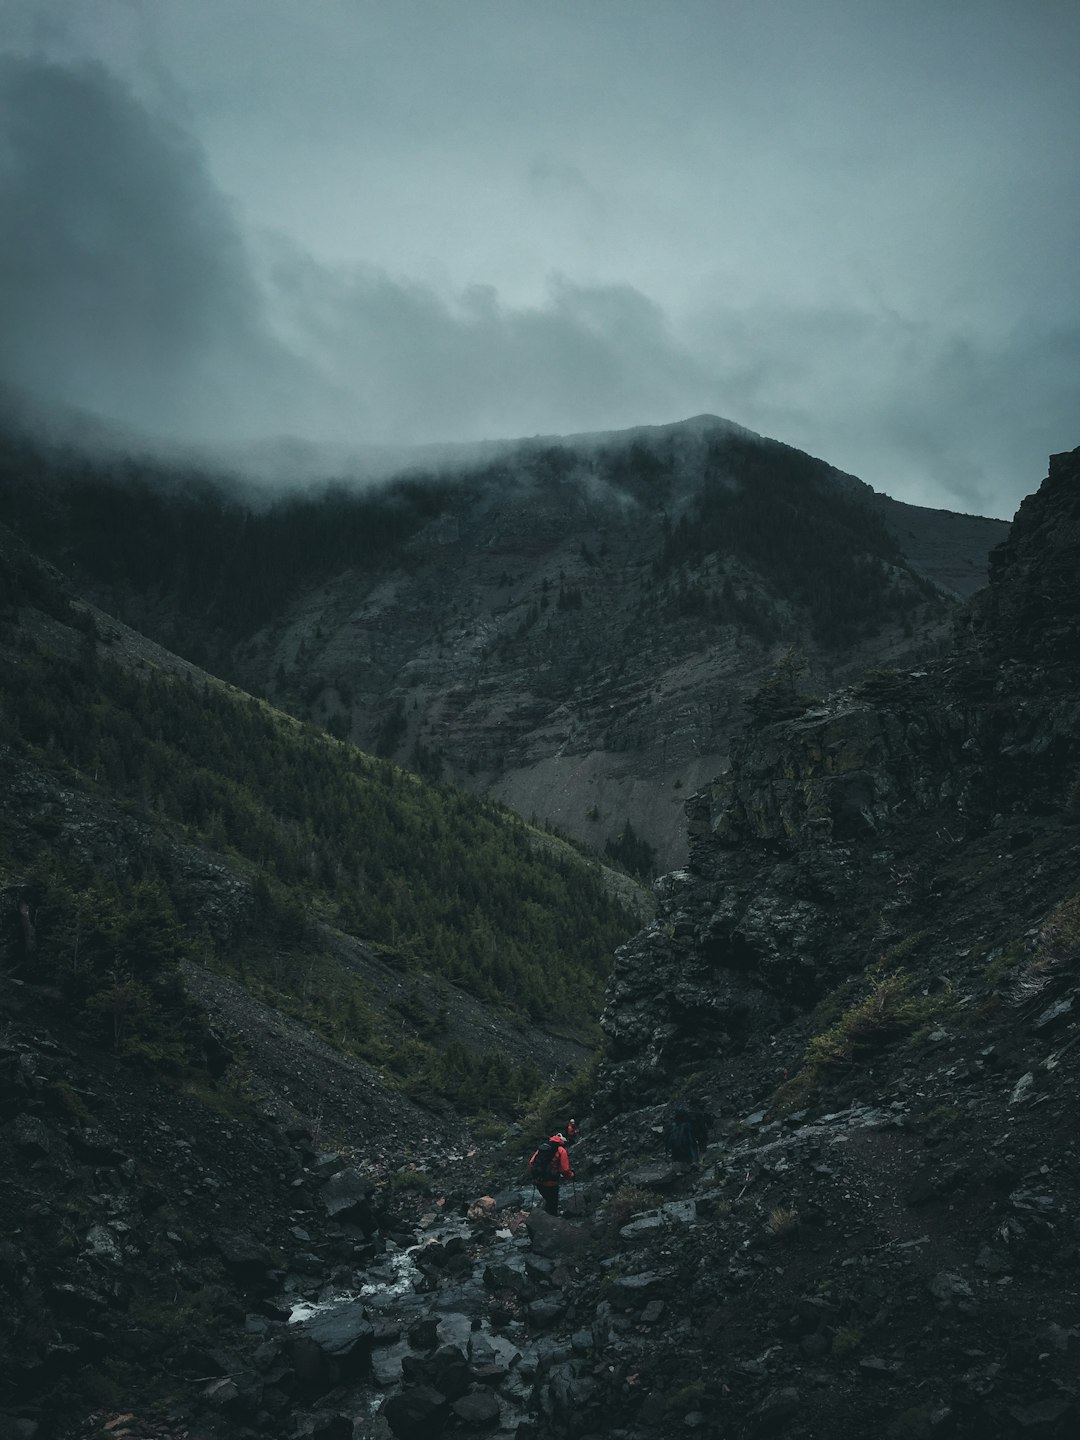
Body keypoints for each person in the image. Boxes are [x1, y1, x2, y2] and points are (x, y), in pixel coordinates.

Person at [529, 1132, 574, 1215]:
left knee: (547, 1201)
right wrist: (571, 1175)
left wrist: (537, 1174)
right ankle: (552, 1223)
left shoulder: (542, 1147)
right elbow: (565, 1169)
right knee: (553, 1205)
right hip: (552, 1182)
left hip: (539, 1181)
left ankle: (542, 1220)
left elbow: (531, 1162)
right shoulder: (561, 1150)